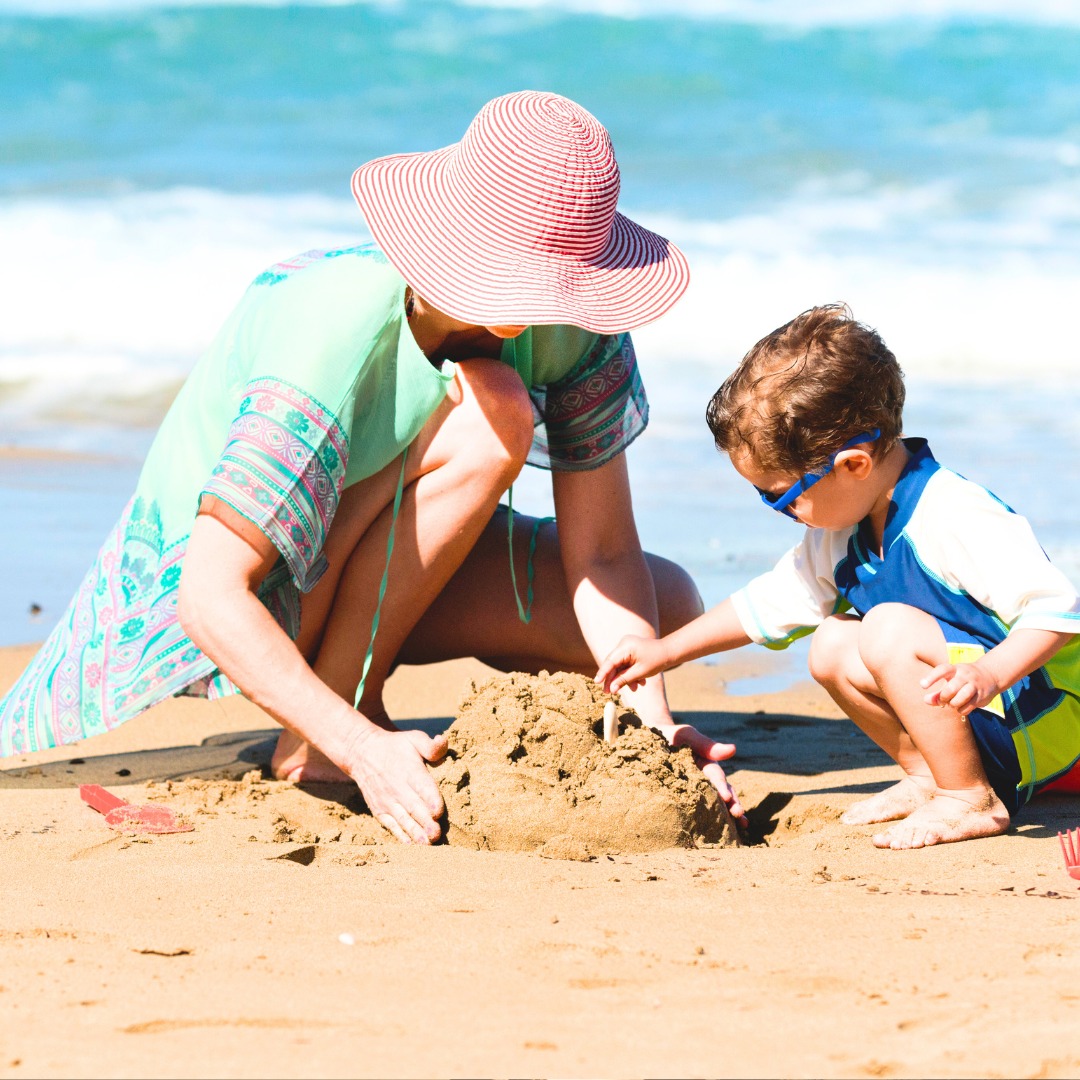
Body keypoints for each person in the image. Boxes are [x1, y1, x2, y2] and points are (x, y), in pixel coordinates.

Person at [0, 91, 745, 844]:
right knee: (497, 411)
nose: (550, 299)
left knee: (670, 606)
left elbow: (607, 554)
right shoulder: (329, 328)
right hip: (263, 594)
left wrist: (655, 738)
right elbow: (211, 594)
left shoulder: (578, 321)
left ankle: (342, 699)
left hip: (390, 567)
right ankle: (325, 725)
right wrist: (360, 748)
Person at [597, 303, 1080, 849]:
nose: (776, 510)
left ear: (853, 465)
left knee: (886, 628)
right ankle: (931, 775)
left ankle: (970, 797)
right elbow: (776, 602)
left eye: (780, 497)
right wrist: (666, 651)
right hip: (987, 714)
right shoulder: (842, 527)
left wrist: (991, 672)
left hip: (1050, 717)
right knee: (830, 643)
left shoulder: (955, 515)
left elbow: (1056, 612)